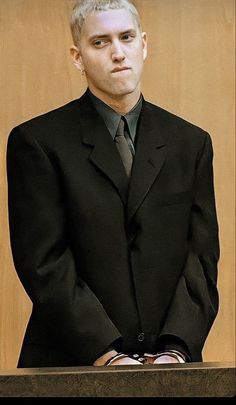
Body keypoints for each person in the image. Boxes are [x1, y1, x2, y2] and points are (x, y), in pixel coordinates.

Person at [7, 0, 220, 368]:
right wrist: (106, 354)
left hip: (171, 365)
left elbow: (200, 259)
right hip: (71, 363)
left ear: (144, 44)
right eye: (100, 42)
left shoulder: (191, 142)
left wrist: (176, 349)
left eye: (126, 37)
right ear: (78, 56)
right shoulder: (37, 141)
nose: (118, 53)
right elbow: (44, 262)